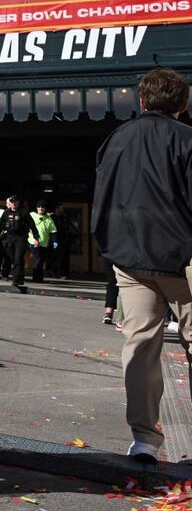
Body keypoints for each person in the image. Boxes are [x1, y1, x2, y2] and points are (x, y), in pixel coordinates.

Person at [91, 67, 192, 465]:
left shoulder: (116, 139)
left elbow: (102, 195)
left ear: (142, 101)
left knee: (141, 344)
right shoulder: (187, 139)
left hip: (130, 258)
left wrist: (111, 247)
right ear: (182, 105)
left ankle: (144, 438)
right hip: (182, 257)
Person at [0, 195, 39, 287]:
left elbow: (32, 225)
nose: (13, 204)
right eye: (12, 202)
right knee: (14, 259)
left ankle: (16, 280)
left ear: (18, 203)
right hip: (9, 238)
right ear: (10, 203)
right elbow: (0, 224)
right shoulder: (6, 213)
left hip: (20, 238)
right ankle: (20, 278)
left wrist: (36, 238)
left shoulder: (24, 213)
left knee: (18, 259)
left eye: (15, 202)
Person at [28, 199, 57, 283]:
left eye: (42, 207)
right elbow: (26, 225)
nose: (40, 208)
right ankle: (36, 278)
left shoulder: (48, 219)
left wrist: (54, 241)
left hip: (44, 244)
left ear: (45, 208)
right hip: (34, 242)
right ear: (36, 208)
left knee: (41, 261)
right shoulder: (32, 215)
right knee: (38, 260)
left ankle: (39, 277)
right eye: (39, 206)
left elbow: (53, 231)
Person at [50, 203, 74, 279]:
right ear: (57, 209)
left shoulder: (64, 218)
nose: (63, 210)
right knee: (58, 258)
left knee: (65, 258)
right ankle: (58, 273)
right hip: (57, 240)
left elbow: (68, 228)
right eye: (61, 208)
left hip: (65, 240)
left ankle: (65, 273)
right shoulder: (52, 218)